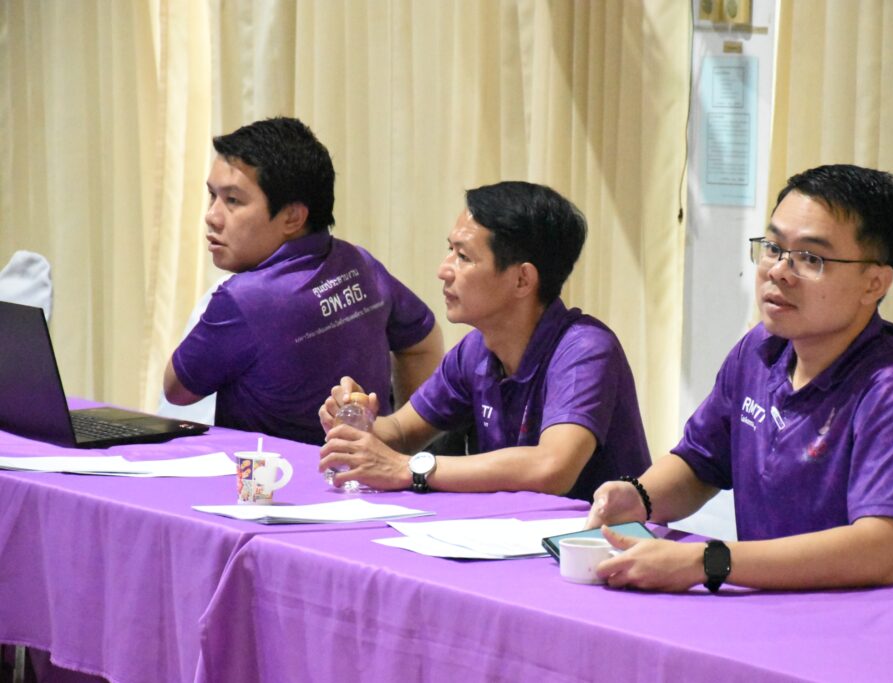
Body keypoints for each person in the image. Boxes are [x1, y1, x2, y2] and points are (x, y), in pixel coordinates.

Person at [586, 164, 893, 592]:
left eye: (810, 258)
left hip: (862, 619)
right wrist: (638, 497)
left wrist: (708, 562)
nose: (778, 271)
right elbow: (700, 462)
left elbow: (879, 550)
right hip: (767, 602)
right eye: (774, 247)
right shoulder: (760, 350)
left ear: (874, 284)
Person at [317, 181, 651, 500]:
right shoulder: (475, 350)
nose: (444, 270)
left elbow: (552, 468)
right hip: (510, 531)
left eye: (463, 257)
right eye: (450, 250)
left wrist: (411, 469)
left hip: (596, 536)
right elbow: (402, 433)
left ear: (522, 279)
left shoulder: (585, 350)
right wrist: (356, 423)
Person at [164, 117, 443, 445]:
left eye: (233, 201)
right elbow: (422, 343)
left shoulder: (245, 299)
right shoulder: (360, 264)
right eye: (212, 195)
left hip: (272, 476)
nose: (212, 216)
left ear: (293, 217)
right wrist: (399, 444)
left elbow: (176, 391)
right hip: (359, 471)